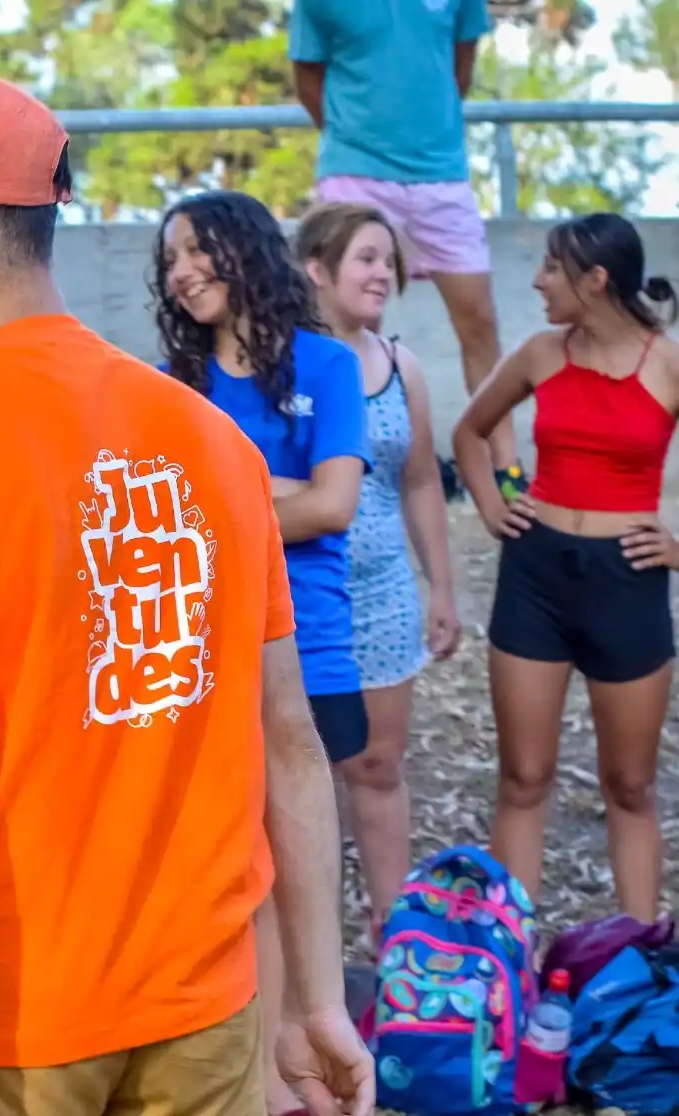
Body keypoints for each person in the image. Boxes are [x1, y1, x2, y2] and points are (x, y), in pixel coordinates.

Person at [0, 66, 374, 1116]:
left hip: (4, 1030)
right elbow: (287, 738)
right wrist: (315, 1000)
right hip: (206, 1014)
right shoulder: (213, 444)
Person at [152, 188, 371, 1116]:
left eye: (197, 249)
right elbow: (163, 524)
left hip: (306, 654)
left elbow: (334, 505)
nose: (183, 270)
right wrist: (269, 490)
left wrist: (229, 501)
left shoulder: (329, 363)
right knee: (231, 877)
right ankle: (269, 1086)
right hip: (200, 658)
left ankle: (306, 1079)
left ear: (247, 252)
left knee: (295, 876)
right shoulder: (174, 388)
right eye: (169, 260)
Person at [453, 212, 679, 923]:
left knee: (631, 785)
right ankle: (509, 963)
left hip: (628, 583)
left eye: (551, 268)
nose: (538, 281)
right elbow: (469, 432)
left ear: (595, 279)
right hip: (536, 575)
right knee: (522, 779)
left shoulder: (666, 362)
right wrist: (495, 507)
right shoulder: (540, 352)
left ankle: (637, 970)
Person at [296, 202, 462, 947]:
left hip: (387, 597)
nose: (382, 276)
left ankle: (396, 948)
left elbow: (422, 481)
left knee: (380, 767)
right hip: (303, 602)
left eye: (388, 263)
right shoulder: (285, 363)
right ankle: (311, 951)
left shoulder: (403, 367)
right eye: (366, 259)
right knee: (307, 778)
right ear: (317, 270)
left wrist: (442, 588)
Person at [288, 0, 528, 498]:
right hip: (355, 170)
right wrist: (357, 138)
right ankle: (352, 462)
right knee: (347, 327)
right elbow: (308, 78)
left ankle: (507, 472)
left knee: (480, 321)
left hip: (441, 174)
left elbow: (460, 71)